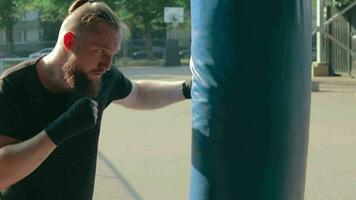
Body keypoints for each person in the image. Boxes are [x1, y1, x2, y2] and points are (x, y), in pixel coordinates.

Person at [0, 0, 191, 199]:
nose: (107, 65)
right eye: (100, 51)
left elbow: (139, 93)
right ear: (69, 42)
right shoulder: (13, 86)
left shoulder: (101, 78)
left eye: (112, 54)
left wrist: (187, 89)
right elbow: (2, 175)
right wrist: (60, 130)